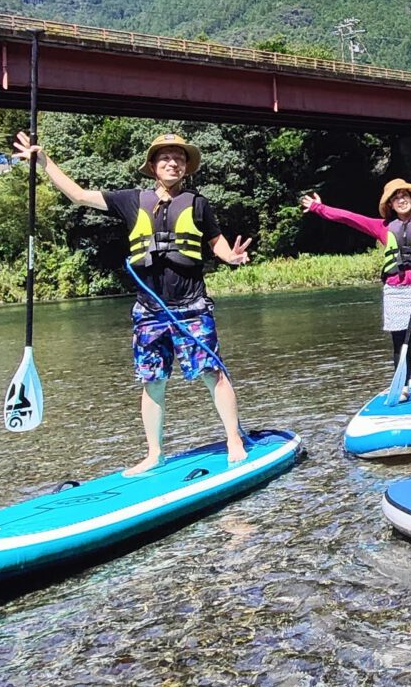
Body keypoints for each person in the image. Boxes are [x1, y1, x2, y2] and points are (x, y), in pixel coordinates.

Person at [16, 129, 255, 470]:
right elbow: (79, 196)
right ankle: (154, 454)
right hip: (149, 311)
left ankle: (233, 438)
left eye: (179, 158)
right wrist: (45, 163)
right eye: (165, 158)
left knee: (210, 373)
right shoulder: (131, 200)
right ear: (153, 166)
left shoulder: (199, 204)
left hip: (191, 307)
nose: (173, 163)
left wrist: (232, 258)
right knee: (152, 380)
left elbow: (217, 243)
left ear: (186, 167)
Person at [302, 180, 411, 403]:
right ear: (391, 204)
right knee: (400, 341)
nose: (401, 200)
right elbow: (350, 218)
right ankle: (402, 386)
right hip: (396, 291)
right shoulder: (382, 227)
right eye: (396, 197)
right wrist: (319, 208)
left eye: (405, 196)